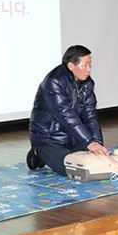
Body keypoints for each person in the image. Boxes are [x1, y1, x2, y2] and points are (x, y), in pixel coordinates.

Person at [27, 45, 109, 175]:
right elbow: (66, 116)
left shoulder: (87, 83)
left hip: (72, 136)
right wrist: (89, 142)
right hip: (49, 138)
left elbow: (90, 115)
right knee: (73, 169)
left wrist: (97, 143)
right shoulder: (53, 82)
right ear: (71, 66)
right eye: (85, 65)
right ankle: (38, 152)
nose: (89, 70)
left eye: (90, 65)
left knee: (96, 162)